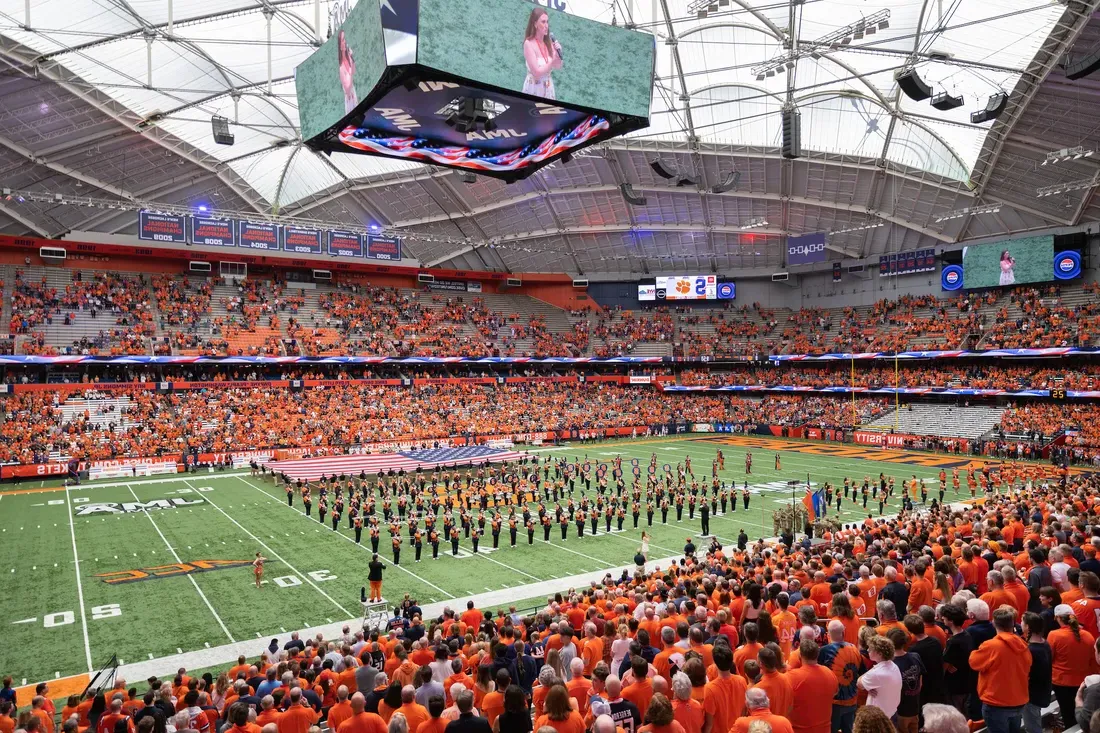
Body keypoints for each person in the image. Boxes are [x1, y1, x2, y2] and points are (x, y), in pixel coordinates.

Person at [969, 607, 1032, 733]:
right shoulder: (1023, 645)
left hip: (996, 703)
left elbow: (974, 662)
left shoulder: (991, 646)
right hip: (1018, 700)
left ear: (993, 623)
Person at [1049, 603, 1095, 730]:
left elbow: (1049, 657)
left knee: (1068, 714)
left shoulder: (1054, 635)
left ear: (1058, 618)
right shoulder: (1088, 635)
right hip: (1083, 682)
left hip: (1061, 682)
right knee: (1082, 713)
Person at [787, 639, 838, 733]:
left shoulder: (791, 676)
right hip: (824, 730)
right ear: (817, 655)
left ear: (800, 655)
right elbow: (835, 693)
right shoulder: (830, 673)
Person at [856, 636, 901, 720]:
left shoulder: (876, 674)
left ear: (879, 654)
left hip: (878, 718)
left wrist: (868, 678)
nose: (868, 650)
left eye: (871, 648)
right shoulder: (893, 666)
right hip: (891, 713)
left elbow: (859, 683)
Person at [1021, 613, 1051, 733]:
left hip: (1031, 695)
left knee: (1033, 727)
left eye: (1022, 622)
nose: (1020, 624)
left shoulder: (1031, 650)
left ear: (1028, 626)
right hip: (1041, 691)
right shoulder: (1044, 643)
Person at [522, 7, 561, 100]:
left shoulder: (549, 43)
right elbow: (536, 73)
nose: (546, 25)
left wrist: (559, 54)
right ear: (535, 24)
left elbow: (558, 65)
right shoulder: (528, 44)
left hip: (548, 88)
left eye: (547, 22)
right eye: (543, 22)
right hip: (534, 89)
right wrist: (551, 62)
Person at [338, 30, 357, 115]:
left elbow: (353, 71)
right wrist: (348, 91)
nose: (344, 42)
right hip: (349, 93)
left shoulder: (348, 58)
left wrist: (351, 57)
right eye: (342, 40)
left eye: (344, 40)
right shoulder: (341, 65)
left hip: (351, 90)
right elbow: (345, 81)